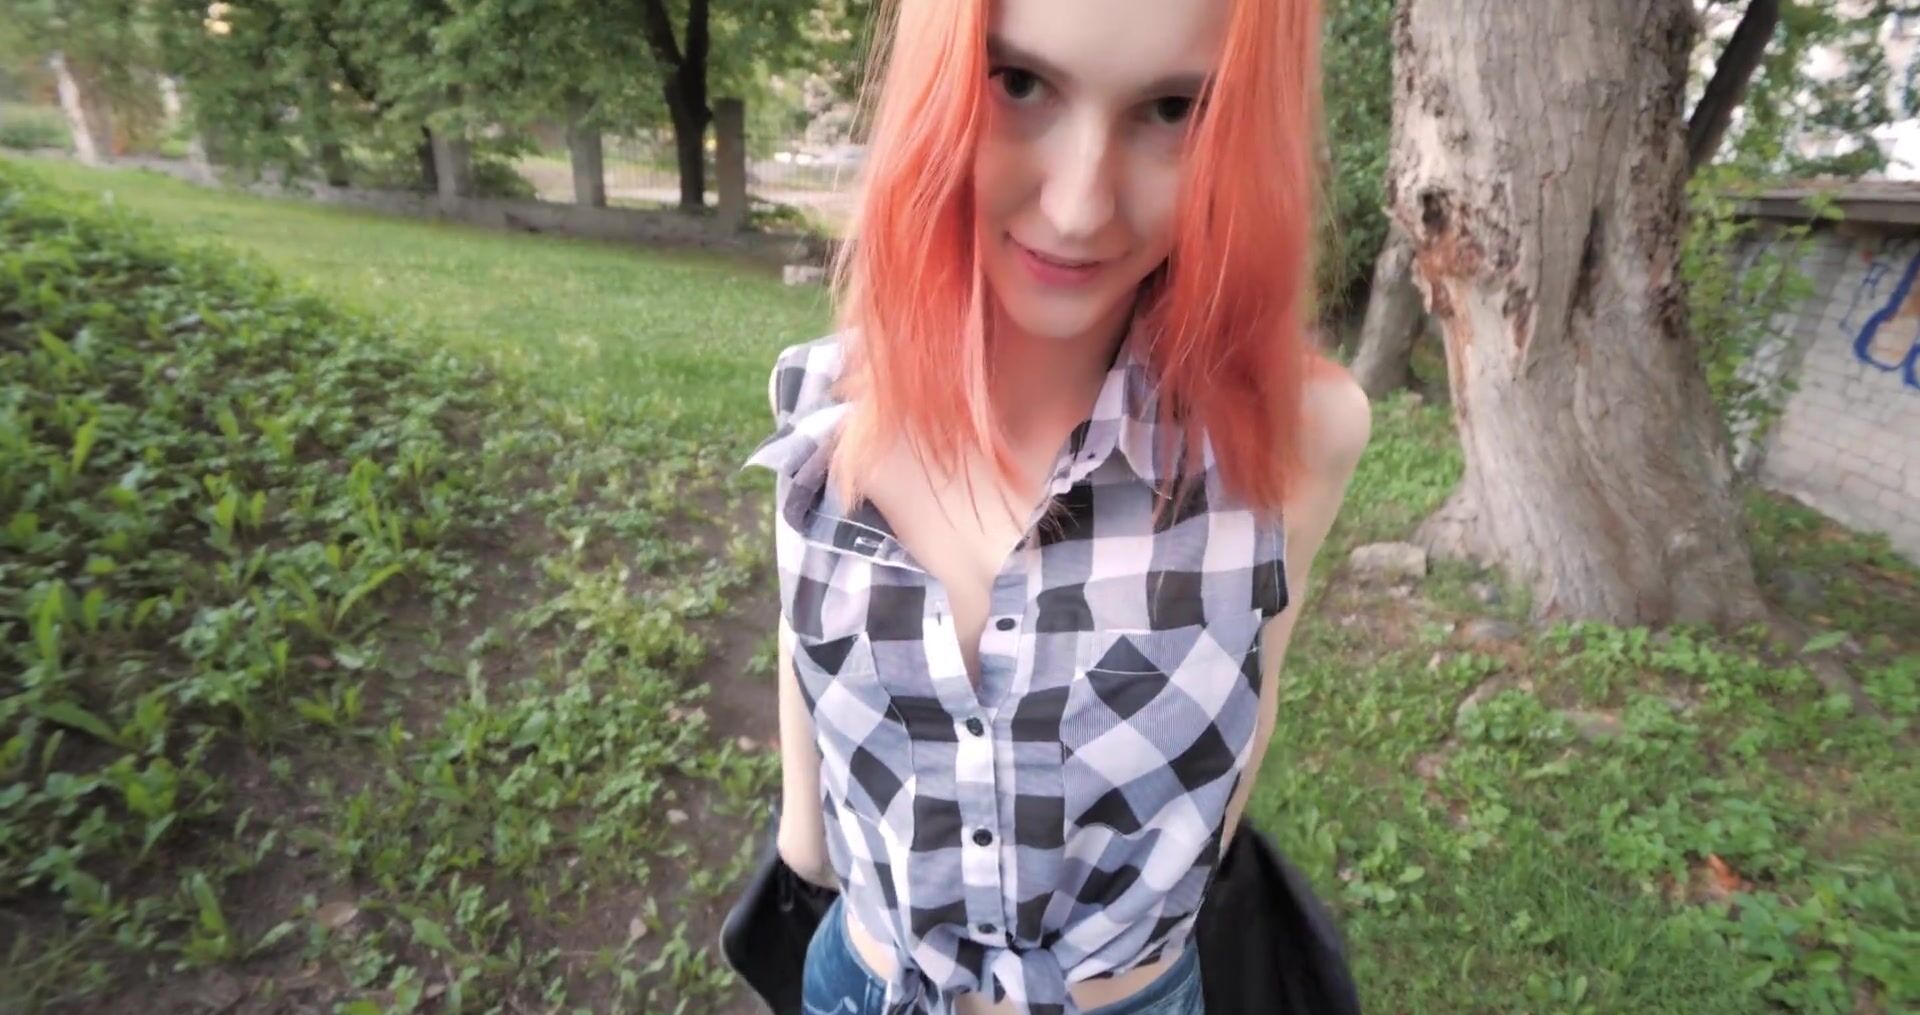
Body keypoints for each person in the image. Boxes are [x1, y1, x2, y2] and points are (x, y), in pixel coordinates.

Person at [743, 0, 1370, 1012]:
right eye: (1021, 83)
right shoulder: (822, 402)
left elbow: (1246, 712)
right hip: (857, 981)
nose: (1080, 207)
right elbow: (803, 620)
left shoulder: (1299, 432)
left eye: (1172, 108)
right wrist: (802, 835)